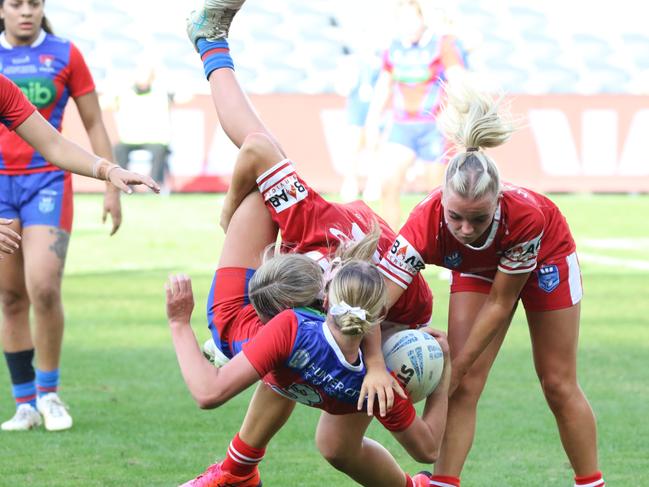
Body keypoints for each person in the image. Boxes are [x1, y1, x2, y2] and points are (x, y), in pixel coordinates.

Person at [376, 84, 605, 487]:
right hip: (476, 268)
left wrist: (454, 367)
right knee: (463, 388)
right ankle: (444, 483)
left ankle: (591, 482)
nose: (465, 229)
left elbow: (501, 304)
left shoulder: (527, 217)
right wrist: (373, 362)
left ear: (497, 201)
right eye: (455, 217)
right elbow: (376, 303)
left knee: (556, 381)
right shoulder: (423, 224)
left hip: (545, 257)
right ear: (440, 199)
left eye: (478, 219)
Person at [166, 225, 450, 487]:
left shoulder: (292, 328)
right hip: (321, 378)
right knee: (334, 445)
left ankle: (238, 469)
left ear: (326, 300)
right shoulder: (377, 387)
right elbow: (428, 450)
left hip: (270, 354)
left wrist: (179, 323)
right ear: (381, 316)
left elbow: (208, 393)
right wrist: (442, 369)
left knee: (335, 444)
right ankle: (238, 469)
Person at [0, 0, 159, 432]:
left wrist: (110, 173)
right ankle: (25, 403)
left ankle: (46, 395)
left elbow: (54, 142)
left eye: (34, 2)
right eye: (16, 3)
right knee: (10, 297)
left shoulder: (53, 61)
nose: (26, 11)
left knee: (42, 287)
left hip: (45, 184)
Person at [364, 0, 466, 229]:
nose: (407, 26)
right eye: (402, 20)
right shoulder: (394, 48)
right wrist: (372, 118)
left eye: (412, 19)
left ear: (422, 19)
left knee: (437, 195)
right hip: (402, 127)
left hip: (434, 128)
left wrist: (456, 117)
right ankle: (390, 248)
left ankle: (445, 252)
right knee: (388, 184)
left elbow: (458, 81)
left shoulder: (441, 45)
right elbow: (384, 84)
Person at [113, 61, 172, 189]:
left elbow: (186, 96)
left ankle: (154, 186)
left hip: (155, 139)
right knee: (118, 149)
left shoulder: (161, 93)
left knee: (160, 151)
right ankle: (126, 185)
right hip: (130, 139)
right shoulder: (124, 93)